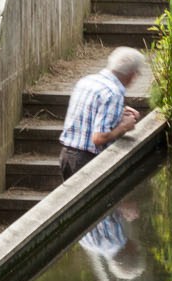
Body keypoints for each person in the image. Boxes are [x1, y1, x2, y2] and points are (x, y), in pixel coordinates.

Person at [56, 45, 150, 182]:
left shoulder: (87, 80)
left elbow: (90, 112)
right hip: (86, 160)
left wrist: (120, 112)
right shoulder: (113, 94)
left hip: (67, 155)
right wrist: (124, 126)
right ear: (132, 75)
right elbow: (98, 138)